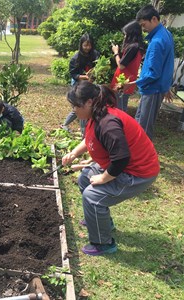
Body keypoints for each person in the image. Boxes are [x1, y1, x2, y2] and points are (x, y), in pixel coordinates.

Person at [62, 81, 159, 256]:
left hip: (138, 173)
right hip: (124, 166)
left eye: (76, 106)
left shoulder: (108, 123)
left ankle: (103, 243)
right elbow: (90, 138)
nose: (74, 110)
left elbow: (121, 159)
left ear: (90, 102)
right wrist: (74, 153)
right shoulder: (97, 114)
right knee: (85, 177)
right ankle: (103, 222)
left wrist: (104, 178)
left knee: (92, 196)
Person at [126, 5, 174, 139]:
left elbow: (153, 73)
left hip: (152, 89)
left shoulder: (157, 42)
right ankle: (137, 152)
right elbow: (167, 64)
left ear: (154, 19)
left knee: (144, 127)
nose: (143, 29)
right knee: (140, 121)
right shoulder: (166, 34)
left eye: (143, 25)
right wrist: (167, 85)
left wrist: (133, 83)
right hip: (156, 87)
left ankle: (144, 157)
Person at [61, 33, 99, 133]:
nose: (87, 47)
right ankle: (83, 133)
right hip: (78, 84)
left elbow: (98, 68)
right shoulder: (75, 58)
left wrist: (92, 77)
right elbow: (73, 74)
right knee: (80, 107)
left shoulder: (95, 54)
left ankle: (87, 130)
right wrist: (86, 77)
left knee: (88, 107)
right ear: (81, 45)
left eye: (89, 45)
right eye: (85, 45)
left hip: (90, 84)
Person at [110, 21, 145, 112]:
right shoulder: (139, 47)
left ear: (131, 35)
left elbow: (121, 65)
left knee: (119, 108)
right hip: (129, 80)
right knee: (122, 105)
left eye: (126, 34)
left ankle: (120, 125)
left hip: (122, 81)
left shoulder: (133, 47)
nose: (124, 37)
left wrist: (116, 52)